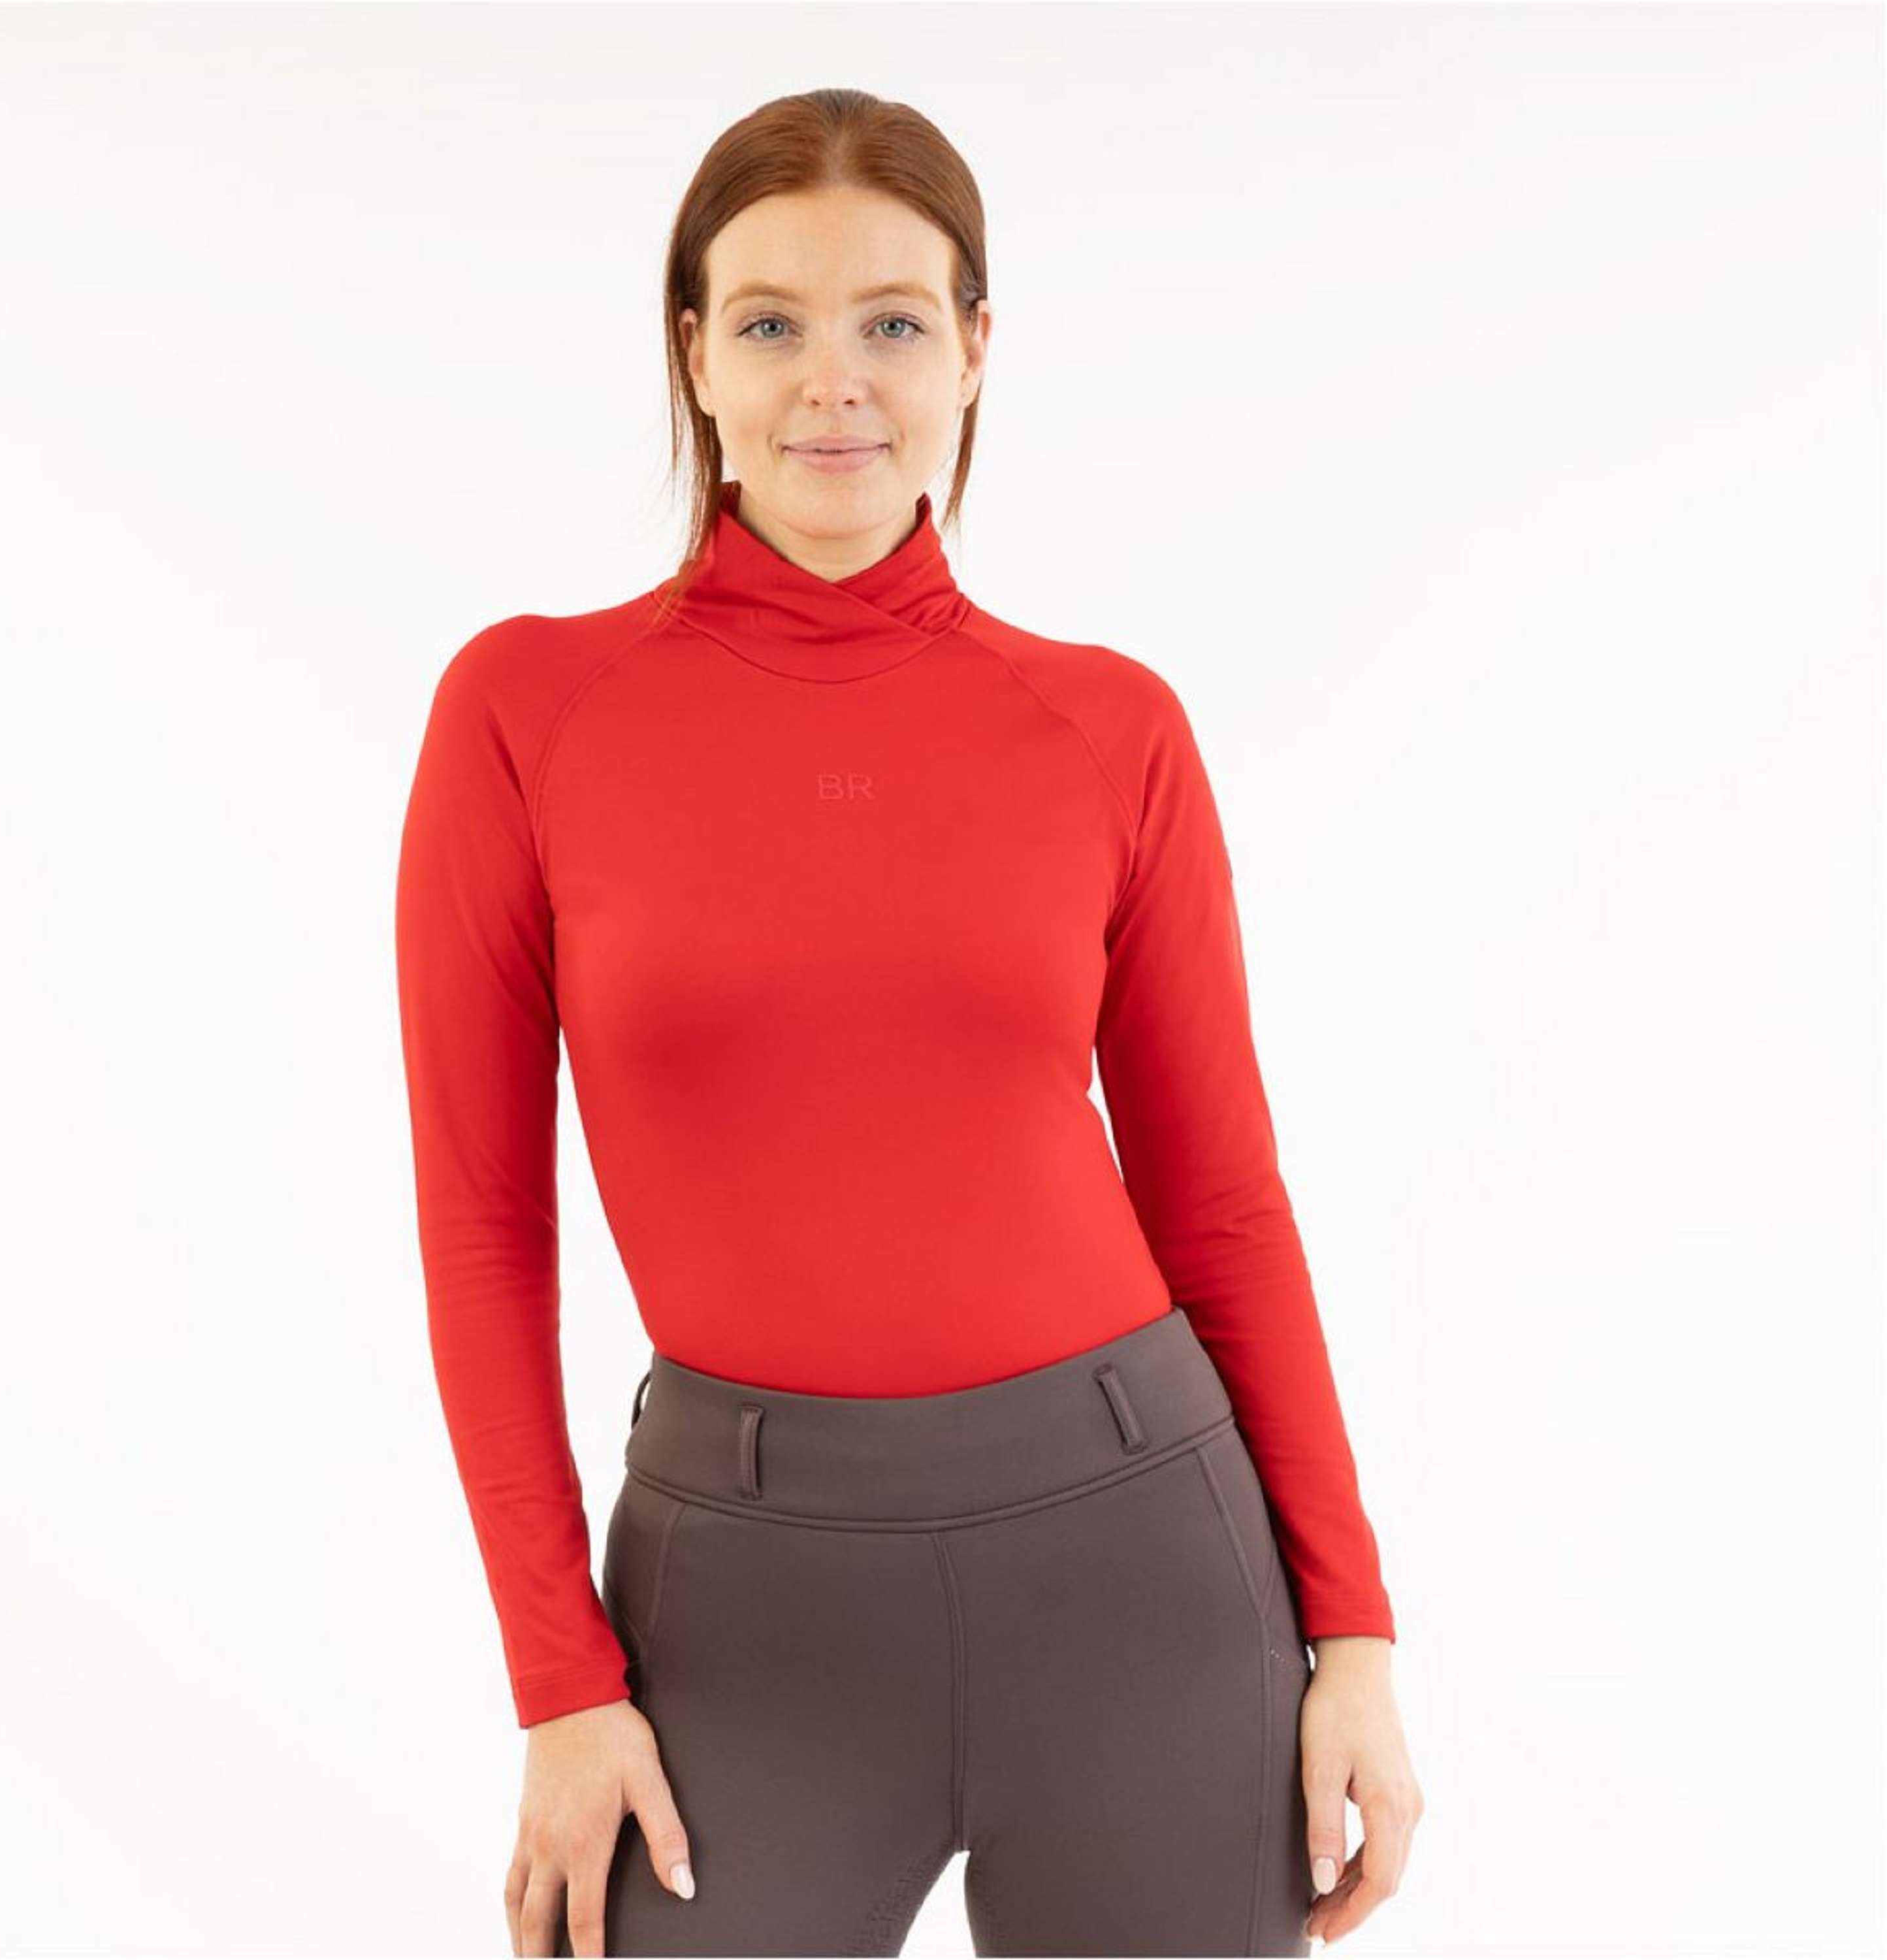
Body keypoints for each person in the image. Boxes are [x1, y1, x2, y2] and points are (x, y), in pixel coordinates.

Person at [394, 86, 1422, 1960]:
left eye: (891, 321)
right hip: (739, 1610)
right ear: (694, 355)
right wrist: (559, 1684)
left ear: (974, 349)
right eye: (770, 322)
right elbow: (483, 1234)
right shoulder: (529, 713)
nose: (833, 383)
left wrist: (1351, 1632)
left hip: (1140, 1569)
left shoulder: (1110, 729)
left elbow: (1222, 1209)